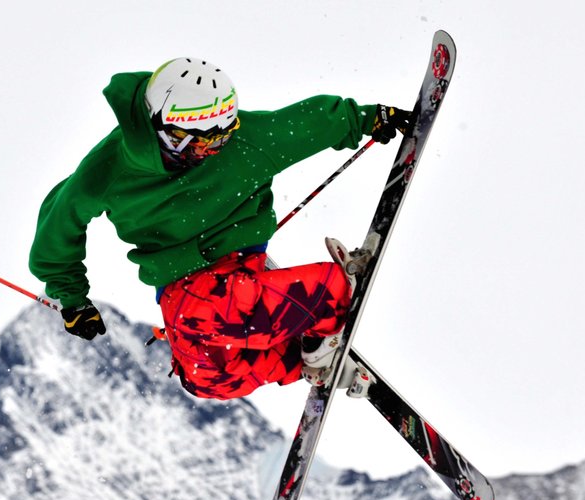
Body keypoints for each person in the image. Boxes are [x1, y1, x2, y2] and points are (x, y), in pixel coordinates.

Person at [28, 57, 408, 400]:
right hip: (180, 276)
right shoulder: (108, 169)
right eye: (200, 144)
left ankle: (333, 291)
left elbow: (300, 125)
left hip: (231, 263)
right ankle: (307, 357)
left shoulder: (239, 144)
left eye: (221, 138)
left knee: (196, 311)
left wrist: (366, 118)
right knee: (203, 377)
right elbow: (59, 218)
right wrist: (72, 297)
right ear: (165, 130)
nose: (212, 152)